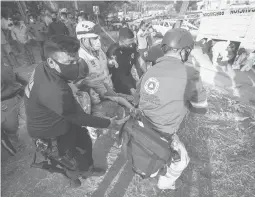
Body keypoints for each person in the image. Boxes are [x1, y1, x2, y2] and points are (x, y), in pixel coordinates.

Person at [24, 35, 129, 187]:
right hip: (49, 133)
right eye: (69, 62)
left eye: (76, 60)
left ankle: (87, 169)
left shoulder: (43, 67)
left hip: (61, 119)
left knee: (84, 140)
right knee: (71, 160)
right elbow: (79, 117)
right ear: (51, 61)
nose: (75, 65)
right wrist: (109, 123)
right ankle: (73, 175)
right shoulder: (55, 90)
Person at [135, 28, 208, 190]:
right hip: (163, 133)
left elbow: (138, 98)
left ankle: (151, 172)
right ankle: (164, 184)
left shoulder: (149, 72)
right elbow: (200, 109)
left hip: (141, 127)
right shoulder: (190, 73)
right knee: (183, 161)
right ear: (184, 51)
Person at [75, 21, 115, 97]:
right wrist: (90, 92)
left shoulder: (98, 50)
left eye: (98, 37)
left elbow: (104, 62)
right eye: (94, 38)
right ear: (84, 40)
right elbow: (78, 85)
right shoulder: (81, 58)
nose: (98, 41)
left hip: (109, 90)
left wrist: (110, 62)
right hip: (98, 98)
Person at [106, 28, 143, 96]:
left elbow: (138, 63)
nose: (131, 45)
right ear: (121, 41)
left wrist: (143, 78)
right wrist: (130, 88)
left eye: (132, 42)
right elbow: (120, 73)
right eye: (129, 43)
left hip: (129, 76)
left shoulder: (133, 46)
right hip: (118, 81)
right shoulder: (114, 51)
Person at [1, 61, 27, 156]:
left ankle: (46, 137)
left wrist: (26, 84)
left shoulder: (5, 64)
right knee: (11, 128)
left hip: (19, 94)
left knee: (31, 118)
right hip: (5, 103)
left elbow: (14, 76)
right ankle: (17, 144)